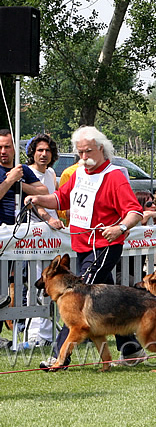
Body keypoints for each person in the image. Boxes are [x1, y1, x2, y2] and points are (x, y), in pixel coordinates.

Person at [26, 126, 145, 370]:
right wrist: (38, 199)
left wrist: (120, 228)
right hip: (82, 246)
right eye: (80, 152)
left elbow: (134, 211)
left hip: (104, 246)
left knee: (75, 296)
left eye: (88, 151)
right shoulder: (79, 173)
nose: (83, 157)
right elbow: (60, 199)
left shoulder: (115, 176)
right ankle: (131, 350)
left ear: (101, 149)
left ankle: (60, 357)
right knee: (109, 299)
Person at [0, 129, 48, 347]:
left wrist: (21, 182)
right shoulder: (9, 173)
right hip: (1, 236)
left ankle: (23, 328)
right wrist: (10, 181)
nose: (3, 152)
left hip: (18, 237)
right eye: (0, 147)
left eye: (7, 147)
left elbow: (43, 190)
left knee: (12, 287)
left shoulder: (22, 170)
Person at [22, 134, 65, 348]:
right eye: (39, 150)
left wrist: (56, 219)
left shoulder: (51, 173)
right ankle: (35, 334)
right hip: (34, 235)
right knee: (37, 283)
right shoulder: (26, 173)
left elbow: (53, 201)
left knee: (55, 282)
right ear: (33, 152)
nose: (43, 154)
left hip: (54, 235)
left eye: (47, 150)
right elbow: (32, 204)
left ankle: (50, 331)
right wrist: (48, 219)